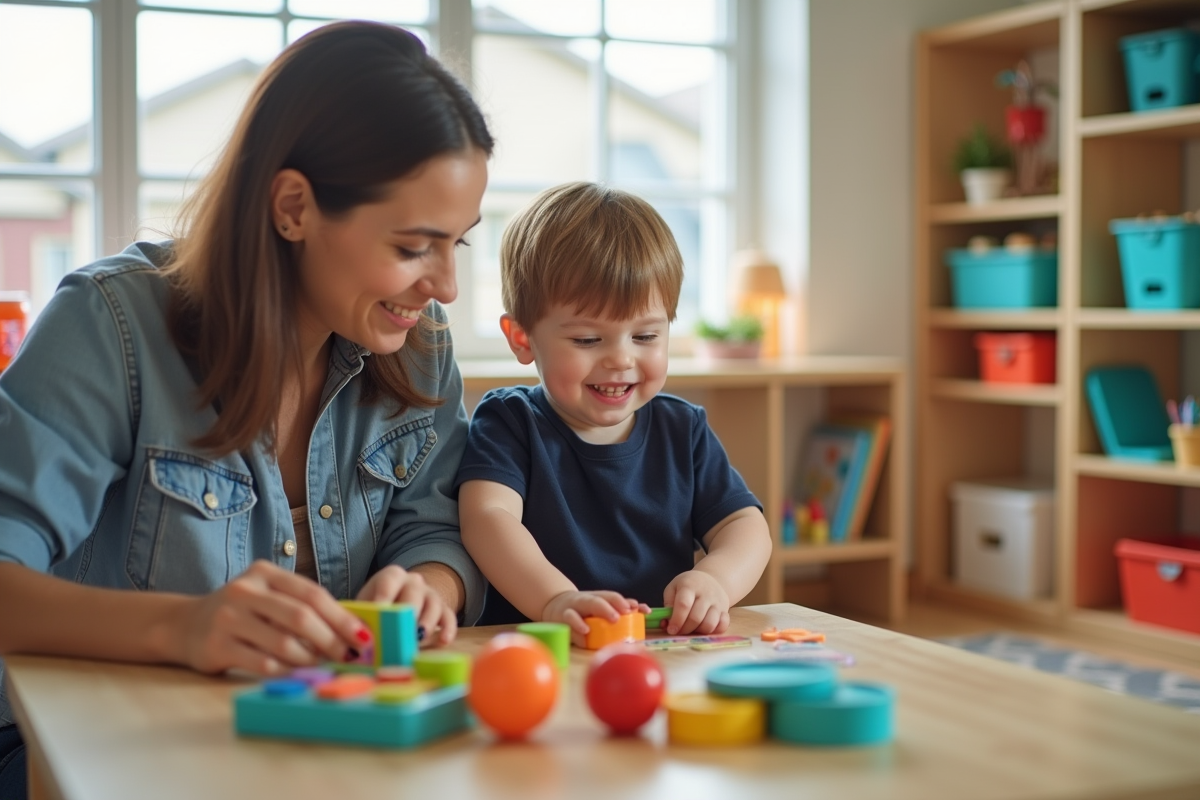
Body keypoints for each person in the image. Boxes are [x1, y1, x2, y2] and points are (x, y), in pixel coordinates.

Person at [0, 22, 492, 799]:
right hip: (86, 749)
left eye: (456, 246)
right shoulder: (111, 327)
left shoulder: (418, 348)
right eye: (411, 247)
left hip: (307, 748)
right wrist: (182, 628)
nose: (445, 287)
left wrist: (428, 580)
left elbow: (436, 526)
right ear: (293, 206)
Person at [455, 182, 772, 643]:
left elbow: (746, 526)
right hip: (543, 649)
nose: (621, 360)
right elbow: (487, 519)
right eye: (587, 340)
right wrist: (554, 600)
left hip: (658, 649)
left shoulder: (683, 429)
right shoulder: (509, 422)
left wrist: (716, 581)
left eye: (645, 337)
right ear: (522, 338)